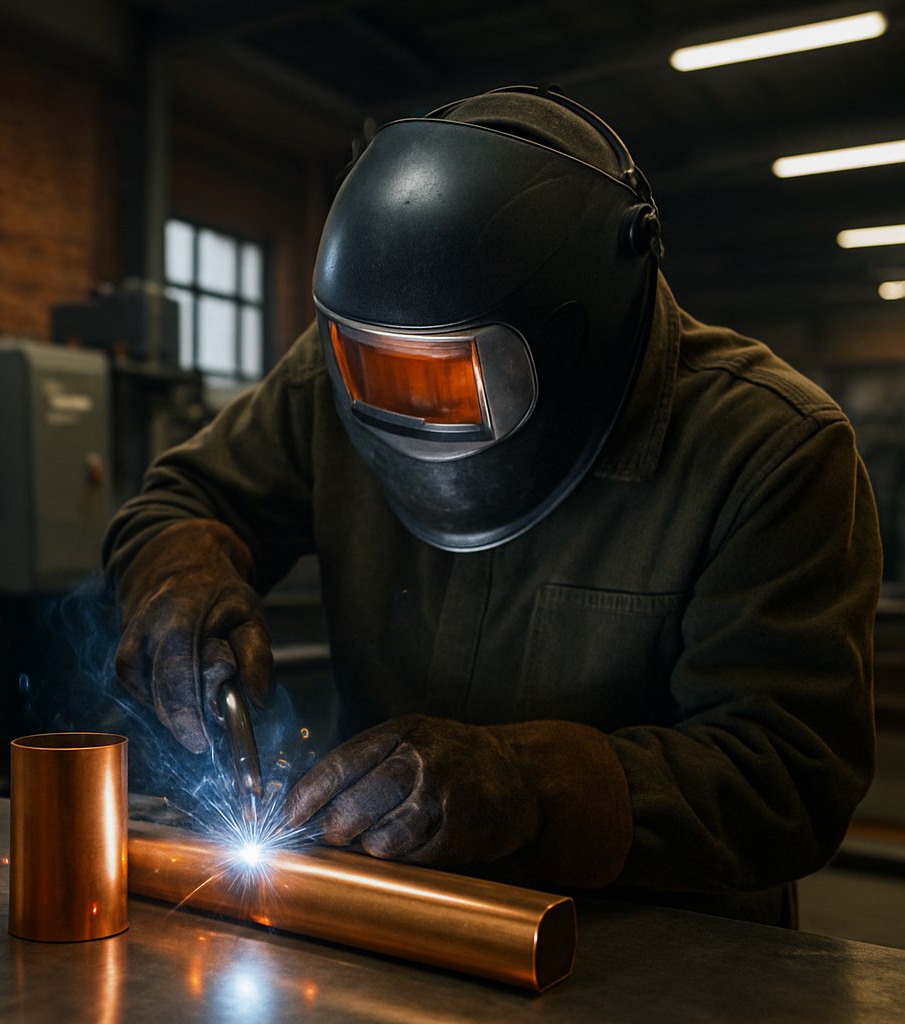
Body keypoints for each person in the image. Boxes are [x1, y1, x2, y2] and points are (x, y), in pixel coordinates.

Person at [104, 86, 881, 926]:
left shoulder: (771, 447)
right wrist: (179, 575)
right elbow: (188, 496)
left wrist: (531, 790)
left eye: (453, 376)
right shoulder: (340, 367)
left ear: (579, 333)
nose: (413, 405)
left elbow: (789, 775)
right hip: (388, 914)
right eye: (382, 367)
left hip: (658, 948)